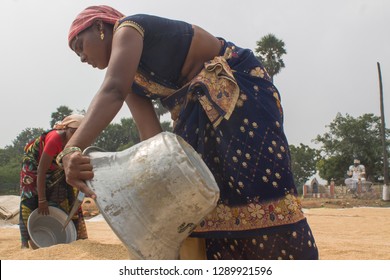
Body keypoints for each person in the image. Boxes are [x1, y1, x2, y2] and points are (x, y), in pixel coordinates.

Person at [60, 5, 319, 260]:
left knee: (258, 186)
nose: (82, 58)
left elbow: (112, 91)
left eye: (79, 46)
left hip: (238, 93)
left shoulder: (129, 28)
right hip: (193, 113)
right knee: (202, 200)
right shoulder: (131, 83)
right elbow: (153, 141)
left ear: (98, 26)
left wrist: (71, 149)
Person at [19, 114, 88, 249]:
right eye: (72, 131)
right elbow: (41, 171)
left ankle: (76, 237)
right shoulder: (55, 139)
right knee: (30, 198)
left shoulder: (80, 142)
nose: (75, 135)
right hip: (35, 165)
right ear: (65, 129)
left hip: (58, 165)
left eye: (78, 132)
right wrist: (42, 200)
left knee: (68, 194)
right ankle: (25, 243)